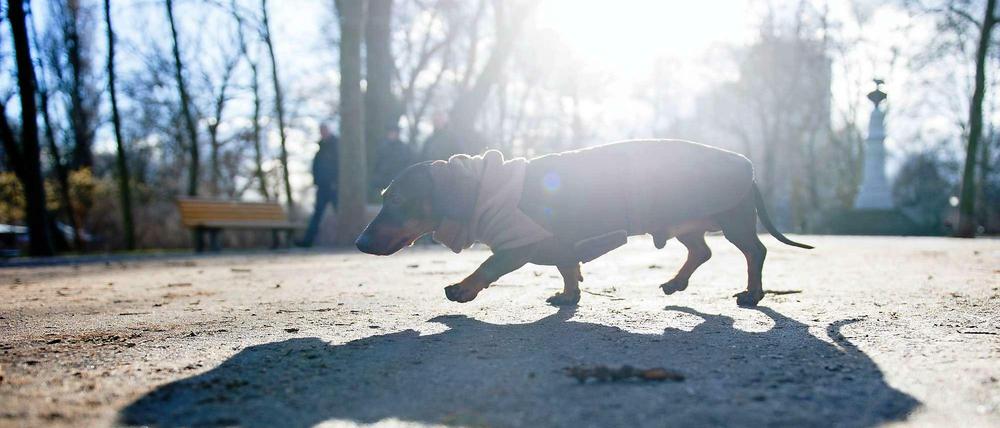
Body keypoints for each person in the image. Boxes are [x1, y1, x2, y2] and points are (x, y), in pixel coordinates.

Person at [298, 123, 339, 247]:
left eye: (324, 130)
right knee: (317, 213)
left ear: (329, 130)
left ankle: (350, 238)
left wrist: (336, 181)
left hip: (334, 186)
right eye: (321, 131)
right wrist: (316, 181)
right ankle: (307, 241)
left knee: (340, 212)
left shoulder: (336, 145)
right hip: (322, 186)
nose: (323, 133)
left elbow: (339, 164)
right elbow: (316, 166)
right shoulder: (321, 147)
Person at [371, 124, 413, 193]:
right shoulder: (382, 147)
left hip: (398, 182)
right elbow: (377, 165)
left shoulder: (404, 148)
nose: (392, 134)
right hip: (383, 182)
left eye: (394, 132)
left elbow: (407, 165)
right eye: (391, 132)